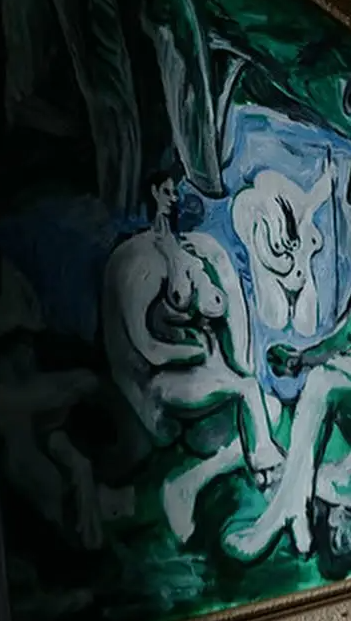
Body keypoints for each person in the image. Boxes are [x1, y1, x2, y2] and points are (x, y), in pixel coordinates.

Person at [223, 156, 351, 562]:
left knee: (325, 382)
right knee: (321, 379)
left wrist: (332, 367)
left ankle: (286, 512)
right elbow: (346, 334)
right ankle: (295, 508)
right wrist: (301, 360)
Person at [103, 171, 284, 543]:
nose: (174, 196)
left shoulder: (195, 249)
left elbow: (222, 310)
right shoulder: (136, 260)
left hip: (209, 377)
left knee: (272, 409)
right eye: (167, 189)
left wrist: (206, 272)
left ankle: (189, 482)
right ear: (154, 192)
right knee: (249, 391)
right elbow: (147, 348)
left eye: (176, 189)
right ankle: (266, 468)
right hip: (164, 385)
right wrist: (194, 350)